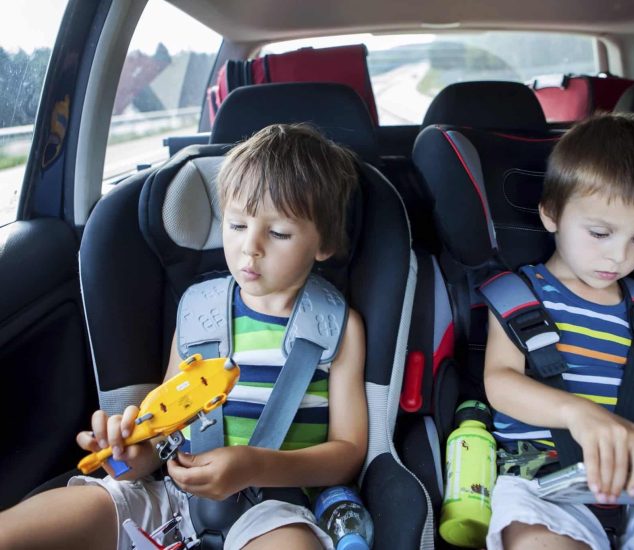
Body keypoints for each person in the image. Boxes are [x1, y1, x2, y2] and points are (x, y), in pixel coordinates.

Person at [0, 123, 367, 550]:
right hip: (173, 496)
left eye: (279, 233)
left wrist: (255, 466)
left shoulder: (337, 327)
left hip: (277, 507)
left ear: (323, 244)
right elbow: (165, 433)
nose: (251, 248)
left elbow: (348, 453)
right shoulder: (198, 314)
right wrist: (129, 456)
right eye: (236, 225)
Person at [483, 113, 634, 550]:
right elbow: (500, 382)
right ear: (552, 214)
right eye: (600, 233)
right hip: (541, 487)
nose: (619, 256)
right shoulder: (519, 298)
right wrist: (576, 413)